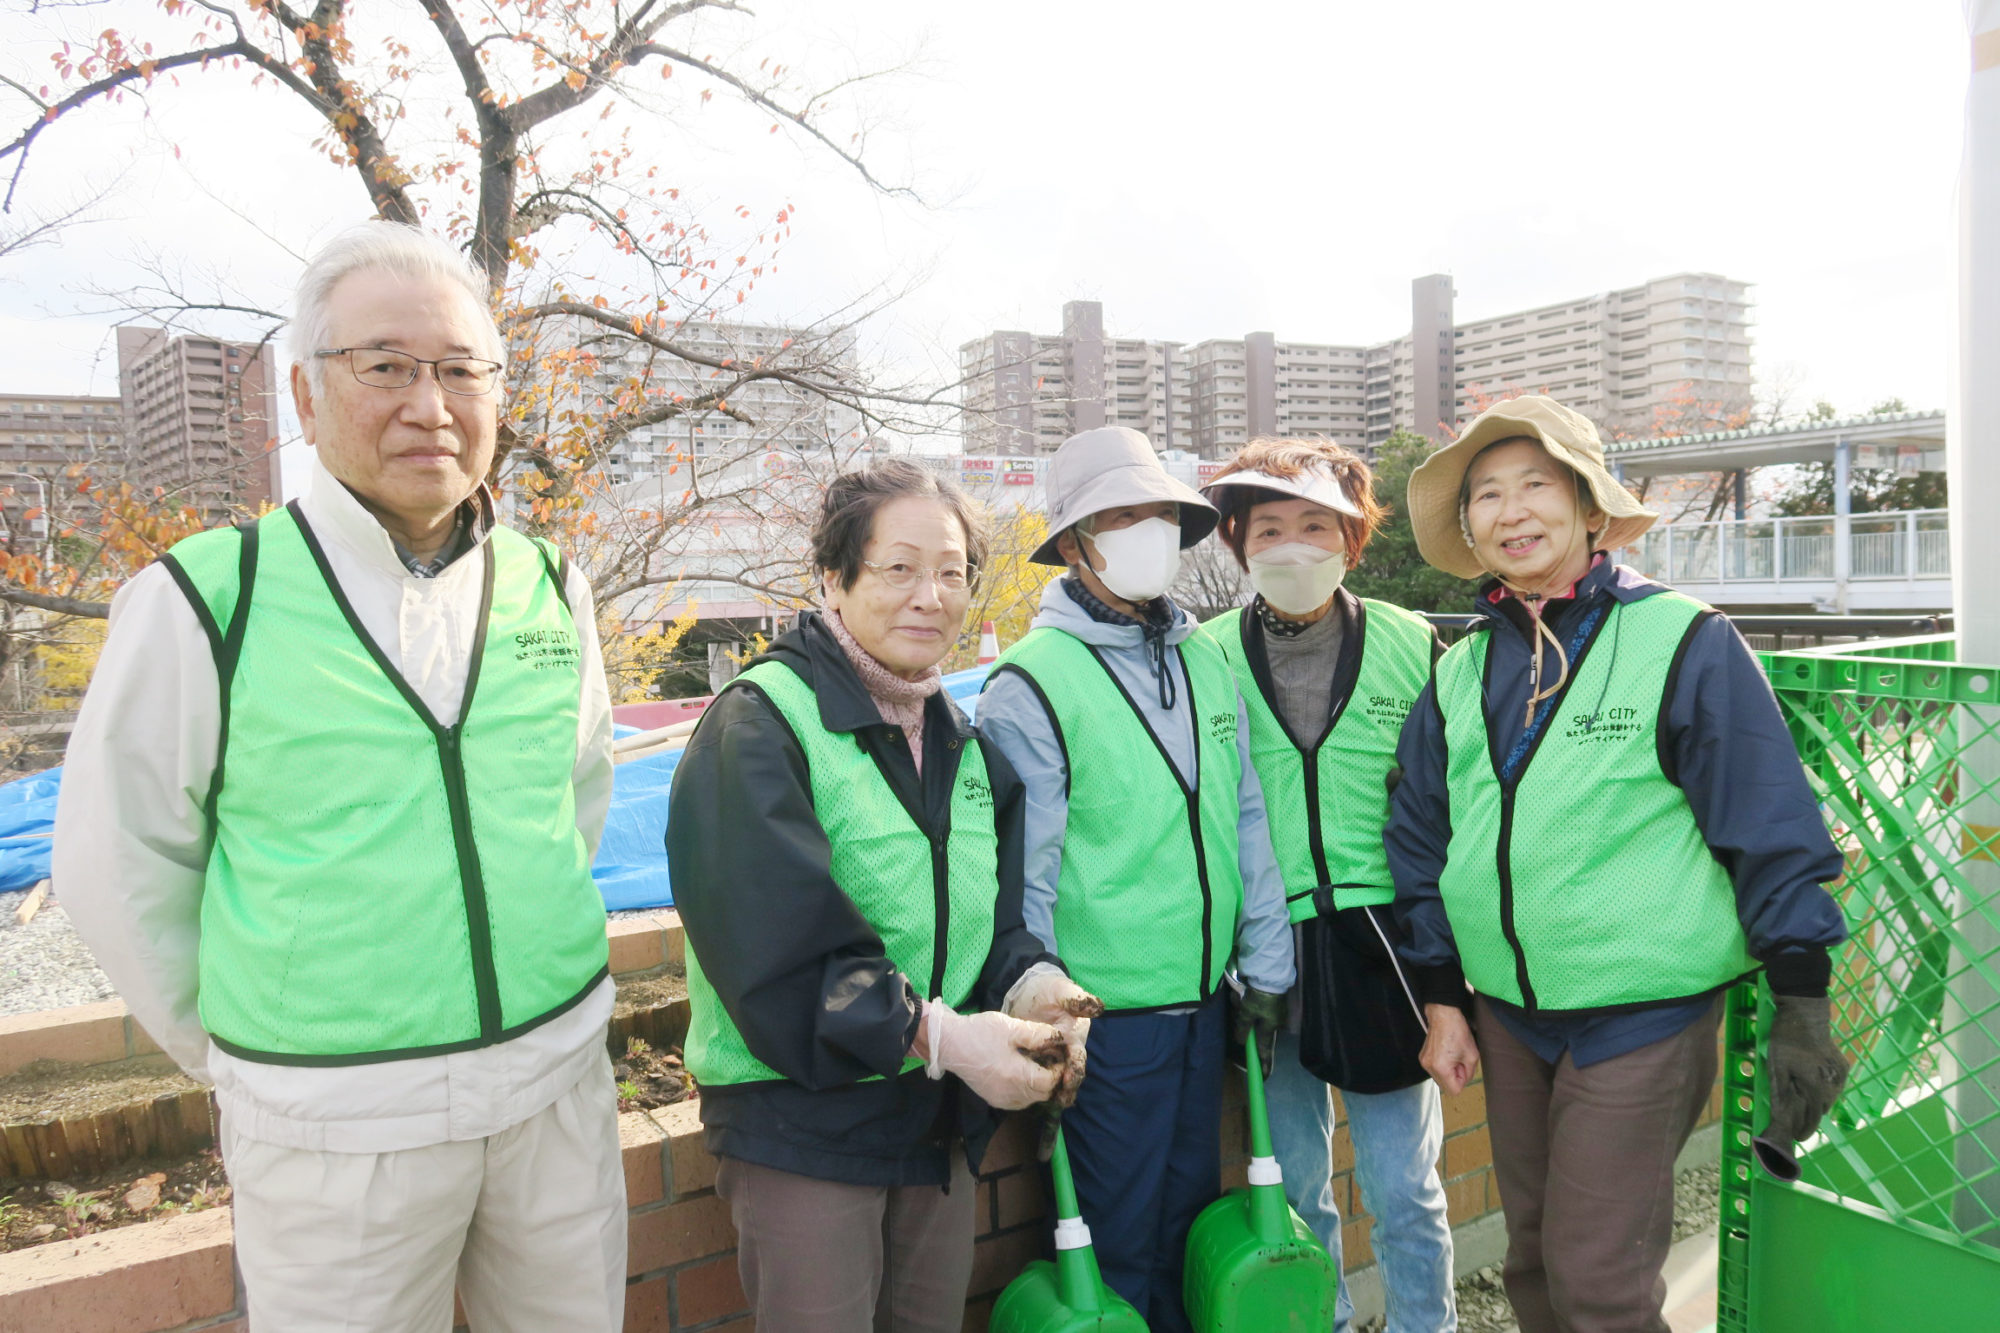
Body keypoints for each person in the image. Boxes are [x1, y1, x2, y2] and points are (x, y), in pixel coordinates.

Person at [55, 222, 626, 1331]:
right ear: (308, 398)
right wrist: (254, 1052)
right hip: (334, 1126)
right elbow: (118, 863)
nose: (431, 404)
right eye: (385, 367)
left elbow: (577, 795)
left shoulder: (551, 584)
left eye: (463, 371)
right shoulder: (207, 597)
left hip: (555, 1081)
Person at [1385, 396, 1850, 1333]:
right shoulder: (1459, 669)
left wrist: (1803, 996)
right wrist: (1442, 993)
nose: (1511, 511)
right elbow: (1421, 840)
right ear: (1468, 527)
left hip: (1641, 1015)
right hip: (1511, 1016)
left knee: (1598, 1280)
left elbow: (1765, 822)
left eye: (1537, 486)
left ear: (1590, 506)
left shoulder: (1684, 639)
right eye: (1486, 495)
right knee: (1533, 1266)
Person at [666, 460, 1094, 1333]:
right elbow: (778, 950)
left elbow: (993, 918)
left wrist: (1031, 982)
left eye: (950, 572)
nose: (928, 595)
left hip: (932, 1124)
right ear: (833, 577)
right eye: (898, 568)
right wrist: (935, 1033)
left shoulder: (962, 744)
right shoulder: (760, 725)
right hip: (805, 1128)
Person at [977, 426, 1295, 1333]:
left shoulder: (1204, 657)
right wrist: (1039, 1018)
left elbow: (1244, 817)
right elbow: (1023, 879)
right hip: (1105, 1028)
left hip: (1206, 1010)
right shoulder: (1032, 682)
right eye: (1119, 517)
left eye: (1157, 512)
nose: (1146, 531)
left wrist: (1267, 967)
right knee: (1112, 1252)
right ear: (1075, 544)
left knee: (1193, 1245)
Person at [1201, 438, 1457, 1333]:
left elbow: (1446, 800)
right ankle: (1332, 1321)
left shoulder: (1410, 640)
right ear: (1238, 542)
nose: (1292, 544)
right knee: (1296, 1184)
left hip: (1383, 944)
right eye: (1269, 527)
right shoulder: (1203, 656)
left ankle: (1429, 1324)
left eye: (1316, 524)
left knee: (1405, 1186)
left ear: (1352, 539)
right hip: (1265, 952)